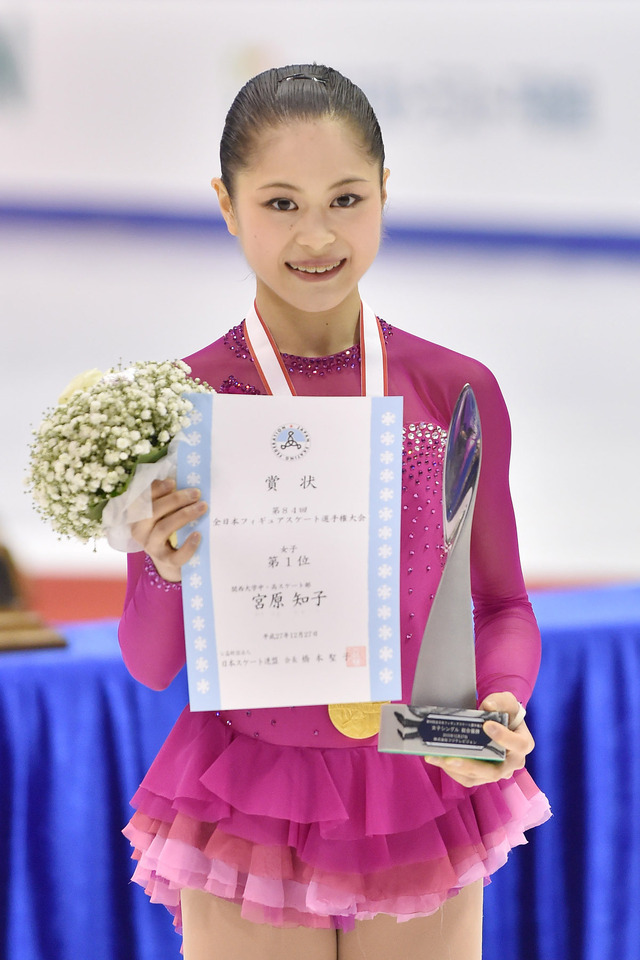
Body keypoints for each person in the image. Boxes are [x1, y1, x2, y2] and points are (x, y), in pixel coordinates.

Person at [119, 64, 551, 960]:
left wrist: (500, 706)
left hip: (419, 771)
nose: (316, 235)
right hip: (246, 791)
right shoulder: (186, 402)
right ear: (227, 205)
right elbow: (152, 662)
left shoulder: (454, 389)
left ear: (385, 195)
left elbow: (503, 606)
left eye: (345, 198)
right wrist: (163, 571)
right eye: (280, 203)